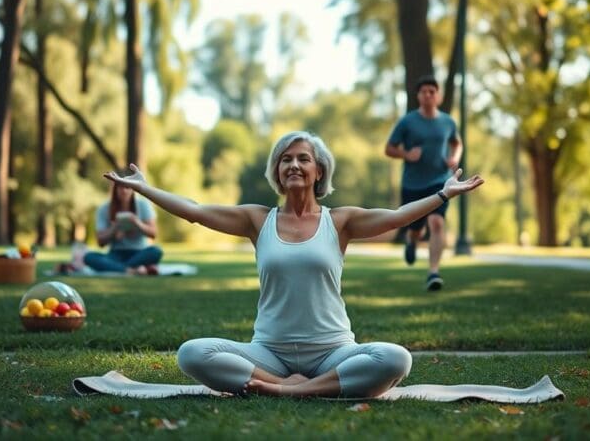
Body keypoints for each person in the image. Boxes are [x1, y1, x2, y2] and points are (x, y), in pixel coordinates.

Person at [104, 131, 482, 398]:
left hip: (333, 349)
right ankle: (284, 384)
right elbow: (196, 212)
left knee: (395, 358)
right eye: (286, 159)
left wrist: (442, 194)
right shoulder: (257, 220)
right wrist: (143, 188)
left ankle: (296, 389)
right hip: (269, 351)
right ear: (277, 173)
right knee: (192, 353)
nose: (294, 165)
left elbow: (399, 216)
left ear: (319, 171)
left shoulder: (340, 221)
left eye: (303, 158)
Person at [385, 76, 463, 290]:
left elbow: (456, 143)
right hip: (413, 184)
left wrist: (455, 157)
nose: (428, 95)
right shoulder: (407, 122)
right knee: (416, 229)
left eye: (432, 91)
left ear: (437, 96)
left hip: (440, 180)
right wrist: (407, 154)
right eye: (424, 91)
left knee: (436, 223)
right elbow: (389, 148)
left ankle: (433, 273)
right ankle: (412, 240)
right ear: (418, 96)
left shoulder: (448, 122)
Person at [84, 172, 163, 275]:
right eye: (121, 188)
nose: (124, 191)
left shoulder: (143, 205)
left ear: (132, 189)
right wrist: (115, 228)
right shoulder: (104, 209)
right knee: (88, 257)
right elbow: (100, 242)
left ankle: (119, 268)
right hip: (115, 254)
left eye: (128, 187)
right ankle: (132, 269)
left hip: (139, 253)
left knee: (156, 251)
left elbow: (153, 233)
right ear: (115, 190)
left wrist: (137, 224)